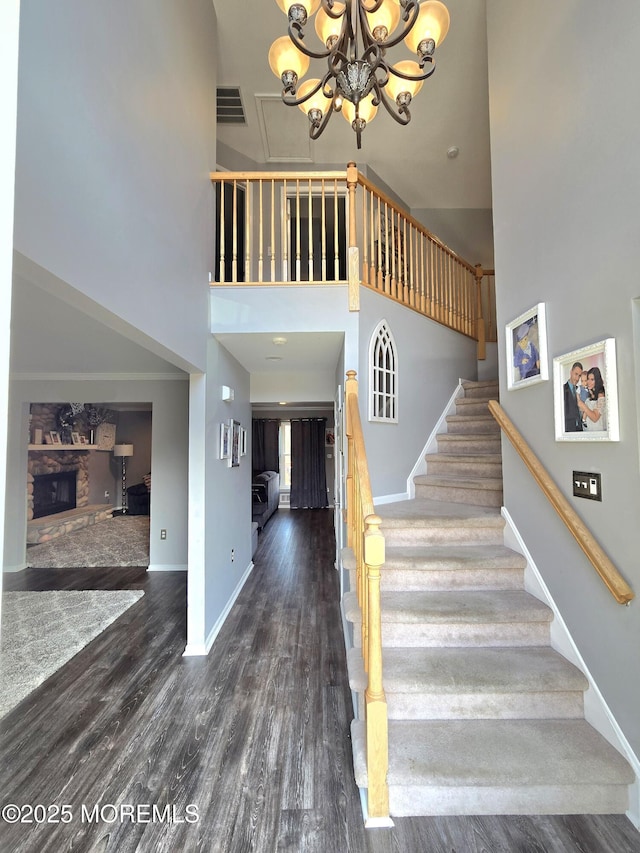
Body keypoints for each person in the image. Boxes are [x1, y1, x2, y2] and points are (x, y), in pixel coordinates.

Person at [577, 367, 607, 431]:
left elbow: (595, 418)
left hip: (598, 434)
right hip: (587, 432)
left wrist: (583, 406)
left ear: (597, 380)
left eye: (592, 379)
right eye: (588, 379)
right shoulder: (589, 394)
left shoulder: (601, 395)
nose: (588, 382)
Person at [563, 361, 584, 432]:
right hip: (568, 430)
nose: (577, 378)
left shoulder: (580, 390)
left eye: (579, 375)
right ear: (571, 372)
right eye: (576, 374)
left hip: (580, 430)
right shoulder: (562, 390)